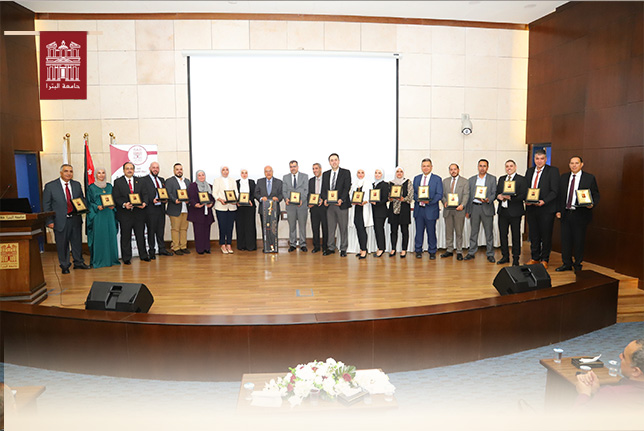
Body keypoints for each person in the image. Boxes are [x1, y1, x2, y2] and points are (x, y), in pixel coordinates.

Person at [42, 164, 90, 274]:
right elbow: (46, 205)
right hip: (59, 220)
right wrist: (49, 221)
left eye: (71, 171)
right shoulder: (50, 186)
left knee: (77, 242)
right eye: (66, 171)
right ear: (61, 173)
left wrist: (84, 206)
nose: (68, 173)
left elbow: (81, 200)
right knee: (62, 244)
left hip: (75, 219)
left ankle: (78, 262)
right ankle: (64, 265)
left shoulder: (76, 185)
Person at [555, 156, 600, 272]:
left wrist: (592, 204)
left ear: (581, 164)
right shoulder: (564, 177)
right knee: (565, 240)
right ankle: (566, 263)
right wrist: (558, 210)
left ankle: (578, 264)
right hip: (565, 213)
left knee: (579, 241)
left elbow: (595, 194)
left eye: (576, 163)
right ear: (569, 165)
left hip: (580, 214)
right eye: (572, 163)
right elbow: (559, 196)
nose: (574, 165)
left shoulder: (589, 178)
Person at [575, 339, 644, 411]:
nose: (620, 356)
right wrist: (597, 391)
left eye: (624, 356)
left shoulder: (612, 394)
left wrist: (584, 393)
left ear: (635, 371)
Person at [524, 149, 560, 268]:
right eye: (537, 159)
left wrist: (544, 201)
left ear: (545, 159)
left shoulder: (553, 171)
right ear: (534, 159)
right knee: (534, 235)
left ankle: (545, 259)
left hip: (546, 209)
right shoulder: (529, 171)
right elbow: (526, 188)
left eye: (542, 159)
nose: (539, 161)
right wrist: (526, 199)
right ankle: (535, 258)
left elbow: (555, 191)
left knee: (546, 235)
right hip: (531, 208)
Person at [113, 161, 150, 264]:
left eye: (131, 168)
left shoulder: (140, 181)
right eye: (127, 168)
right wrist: (124, 204)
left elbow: (145, 194)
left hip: (139, 213)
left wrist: (144, 203)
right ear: (124, 170)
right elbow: (116, 197)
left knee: (140, 235)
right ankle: (126, 258)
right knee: (125, 236)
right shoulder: (118, 182)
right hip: (125, 214)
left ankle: (143, 255)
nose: (129, 170)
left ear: (134, 170)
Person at [86, 167, 120, 268]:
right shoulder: (91, 188)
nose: (101, 175)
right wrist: (96, 206)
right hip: (98, 215)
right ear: (95, 175)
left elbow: (115, 199)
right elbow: (88, 202)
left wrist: (113, 205)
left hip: (109, 214)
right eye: (99, 173)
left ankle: (112, 260)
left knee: (110, 236)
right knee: (100, 237)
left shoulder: (110, 186)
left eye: (103, 173)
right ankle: (100, 261)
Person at [495, 160, 527, 266]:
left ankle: (516, 258)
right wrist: (498, 196)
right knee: (503, 235)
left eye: (511, 166)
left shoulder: (521, 179)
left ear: (515, 167)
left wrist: (511, 198)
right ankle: (505, 256)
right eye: (507, 166)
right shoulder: (502, 179)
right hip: (502, 212)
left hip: (515, 212)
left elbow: (523, 195)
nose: (509, 168)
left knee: (515, 236)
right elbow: (497, 192)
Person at [464, 159, 497, 262]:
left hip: (486, 207)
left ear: (487, 167)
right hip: (474, 208)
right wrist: (467, 210)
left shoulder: (492, 179)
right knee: (473, 232)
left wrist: (488, 199)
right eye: (480, 166)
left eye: (484, 166)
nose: (482, 168)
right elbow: (469, 196)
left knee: (489, 233)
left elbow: (494, 193)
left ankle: (490, 253)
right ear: (478, 167)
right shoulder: (471, 180)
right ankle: (471, 252)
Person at [321, 153, 351, 257]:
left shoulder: (346, 172)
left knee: (343, 228)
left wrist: (341, 199)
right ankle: (330, 247)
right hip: (330, 206)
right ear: (329, 162)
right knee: (331, 228)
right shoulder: (325, 174)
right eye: (331, 160)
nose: (334, 162)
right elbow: (323, 189)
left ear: (339, 161)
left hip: (341, 205)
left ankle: (343, 248)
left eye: (335, 160)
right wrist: (325, 199)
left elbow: (347, 188)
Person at [140, 161, 172, 258]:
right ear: (150, 168)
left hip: (161, 209)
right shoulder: (144, 180)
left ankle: (162, 249)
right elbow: (143, 193)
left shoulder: (161, 180)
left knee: (160, 230)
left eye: (157, 168)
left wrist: (165, 199)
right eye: (153, 167)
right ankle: (152, 251)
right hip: (150, 209)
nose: (155, 169)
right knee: (151, 231)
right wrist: (151, 200)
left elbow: (164, 193)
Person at [412, 158, 442, 259]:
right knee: (419, 232)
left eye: (428, 166)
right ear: (421, 167)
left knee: (431, 232)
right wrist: (418, 198)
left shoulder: (437, 179)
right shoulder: (417, 178)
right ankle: (418, 250)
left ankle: (432, 251)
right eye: (424, 166)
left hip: (431, 209)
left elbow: (439, 194)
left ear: (431, 167)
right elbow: (413, 193)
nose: (426, 168)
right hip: (419, 209)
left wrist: (429, 201)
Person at [441, 163, 469, 261]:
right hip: (448, 210)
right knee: (448, 231)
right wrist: (444, 202)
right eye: (451, 169)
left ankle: (459, 251)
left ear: (458, 170)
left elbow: (466, 195)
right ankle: (449, 249)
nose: (453, 171)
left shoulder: (464, 181)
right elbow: (442, 195)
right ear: (449, 171)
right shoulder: (445, 181)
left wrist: (462, 205)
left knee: (459, 232)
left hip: (459, 210)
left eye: (455, 169)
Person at [282, 160, 309, 252]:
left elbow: (306, 190)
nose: (293, 168)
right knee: (292, 226)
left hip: (302, 205)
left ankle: (303, 244)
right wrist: (286, 199)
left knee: (302, 226)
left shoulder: (305, 176)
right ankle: (292, 244)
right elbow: (284, 191)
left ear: (297, 167)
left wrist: (302, 200)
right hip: (290, 206)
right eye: (291, 167)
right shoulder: (285, 177)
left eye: (294, 166)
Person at [255, 165, 283, 253]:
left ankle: (274, 247)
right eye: (266, 171)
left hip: (275, 210)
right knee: (265, 229)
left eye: (270, 171)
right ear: (264, 173)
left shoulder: (279, 182)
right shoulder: (260, 181)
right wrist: (261, 198)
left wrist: (277, 198)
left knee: (274, 229)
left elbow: (282, 194)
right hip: (263, 210)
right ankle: (266, 247)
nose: (268, 173)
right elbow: (256, 193)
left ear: (272, 172)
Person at [165, 163, 191, 255]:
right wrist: (174, 200)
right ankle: (176, 247)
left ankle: (183, 246)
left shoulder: (187, 181)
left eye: (180, 169)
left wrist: (189, 200)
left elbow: (190, 193)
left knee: (184, 229)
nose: (179, 171)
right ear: (174, 171)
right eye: (177, 169)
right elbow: (168, 193)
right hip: (175, 209)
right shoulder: (169, 181)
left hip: (185, 209)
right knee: (175, 229)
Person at [388, 166, 414, 258]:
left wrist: (403, 199)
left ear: (403, 173)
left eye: (401, 171)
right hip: (393, 210)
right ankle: (393, 249)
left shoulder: (408, 182)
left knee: (404, 231)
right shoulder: (390, 183)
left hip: (404, 209)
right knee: (393, 231)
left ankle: (404, 249)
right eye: (397, 171)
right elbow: (388, 196)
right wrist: (390, 198)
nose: (399, 173)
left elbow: (410, 196)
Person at [187, 170, 215, 254]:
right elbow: (190, 198)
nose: (201, 177)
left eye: (203, 175)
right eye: (199, 175)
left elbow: (212, 198)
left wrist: (211, 204)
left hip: (207, 212)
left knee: (207, 231)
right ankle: (200, 249)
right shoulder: (192, 186)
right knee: (198, 231)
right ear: (196, 176)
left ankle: (207, 248)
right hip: (197, 212)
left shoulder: (209, 186)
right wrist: (195, 204)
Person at [213, 165, 238, 254]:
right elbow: (214, 193)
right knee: (222, 226)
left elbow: (236, 192)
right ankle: (222, 244)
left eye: (227, 170)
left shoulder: (233, 180)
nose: (225, 171)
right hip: (221, 207)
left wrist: (235, 200)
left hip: (231, 207)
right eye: (223, 170)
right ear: (221, 171)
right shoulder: (217, 180)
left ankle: (229, 244)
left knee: (230, 227)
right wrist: (220, 199)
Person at [349, 169, 373, 259]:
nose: (360, 174)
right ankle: (361, 249)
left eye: (362, 173)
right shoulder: (354, 184)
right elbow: (351, 195)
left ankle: (364, 250)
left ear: (364, 174)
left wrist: (365, 201)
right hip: (356, 208)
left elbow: (370, 195)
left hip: (364, 208)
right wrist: (352, 201)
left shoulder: (368, 183)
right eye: (358, 173)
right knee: (358, 228)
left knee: (362, 229)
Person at [308, 163, 328, 254]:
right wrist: (309, 203)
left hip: (324, 207)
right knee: (315, 227)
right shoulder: (311, 181)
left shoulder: (326, 180)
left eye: (316, 168)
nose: (315, 170)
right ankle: (316, 246)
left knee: (325, 227)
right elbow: (309, 193)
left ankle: (325, 246)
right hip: (314, 208)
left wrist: (323, 199)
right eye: (313, 169)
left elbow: (328, 192)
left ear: (320, 169)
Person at [235, 168, 257, 251]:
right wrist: (237, 201)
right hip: (239, 207)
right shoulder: (236, 182)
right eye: (242, 173)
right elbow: (234, 193)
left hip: (250, 206)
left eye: (246, 173)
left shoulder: (252, 182)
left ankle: (251, 246)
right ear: (240, 174)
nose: (244, 174)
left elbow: (254, 193)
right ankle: (241, 246)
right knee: (240, 226)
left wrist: (250, 200)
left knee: (250, 226)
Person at [370, 168, 389, 258]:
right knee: (376, 229)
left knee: (379, 229)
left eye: (379, 173)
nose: (377, 174)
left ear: (382, 174)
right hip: (373, 211)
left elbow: (385, 198)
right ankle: (379, 247)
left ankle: (381, 248)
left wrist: (376, 203)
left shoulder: (385, 185)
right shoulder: (373, 184)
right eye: (376, 173)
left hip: (381, 211)